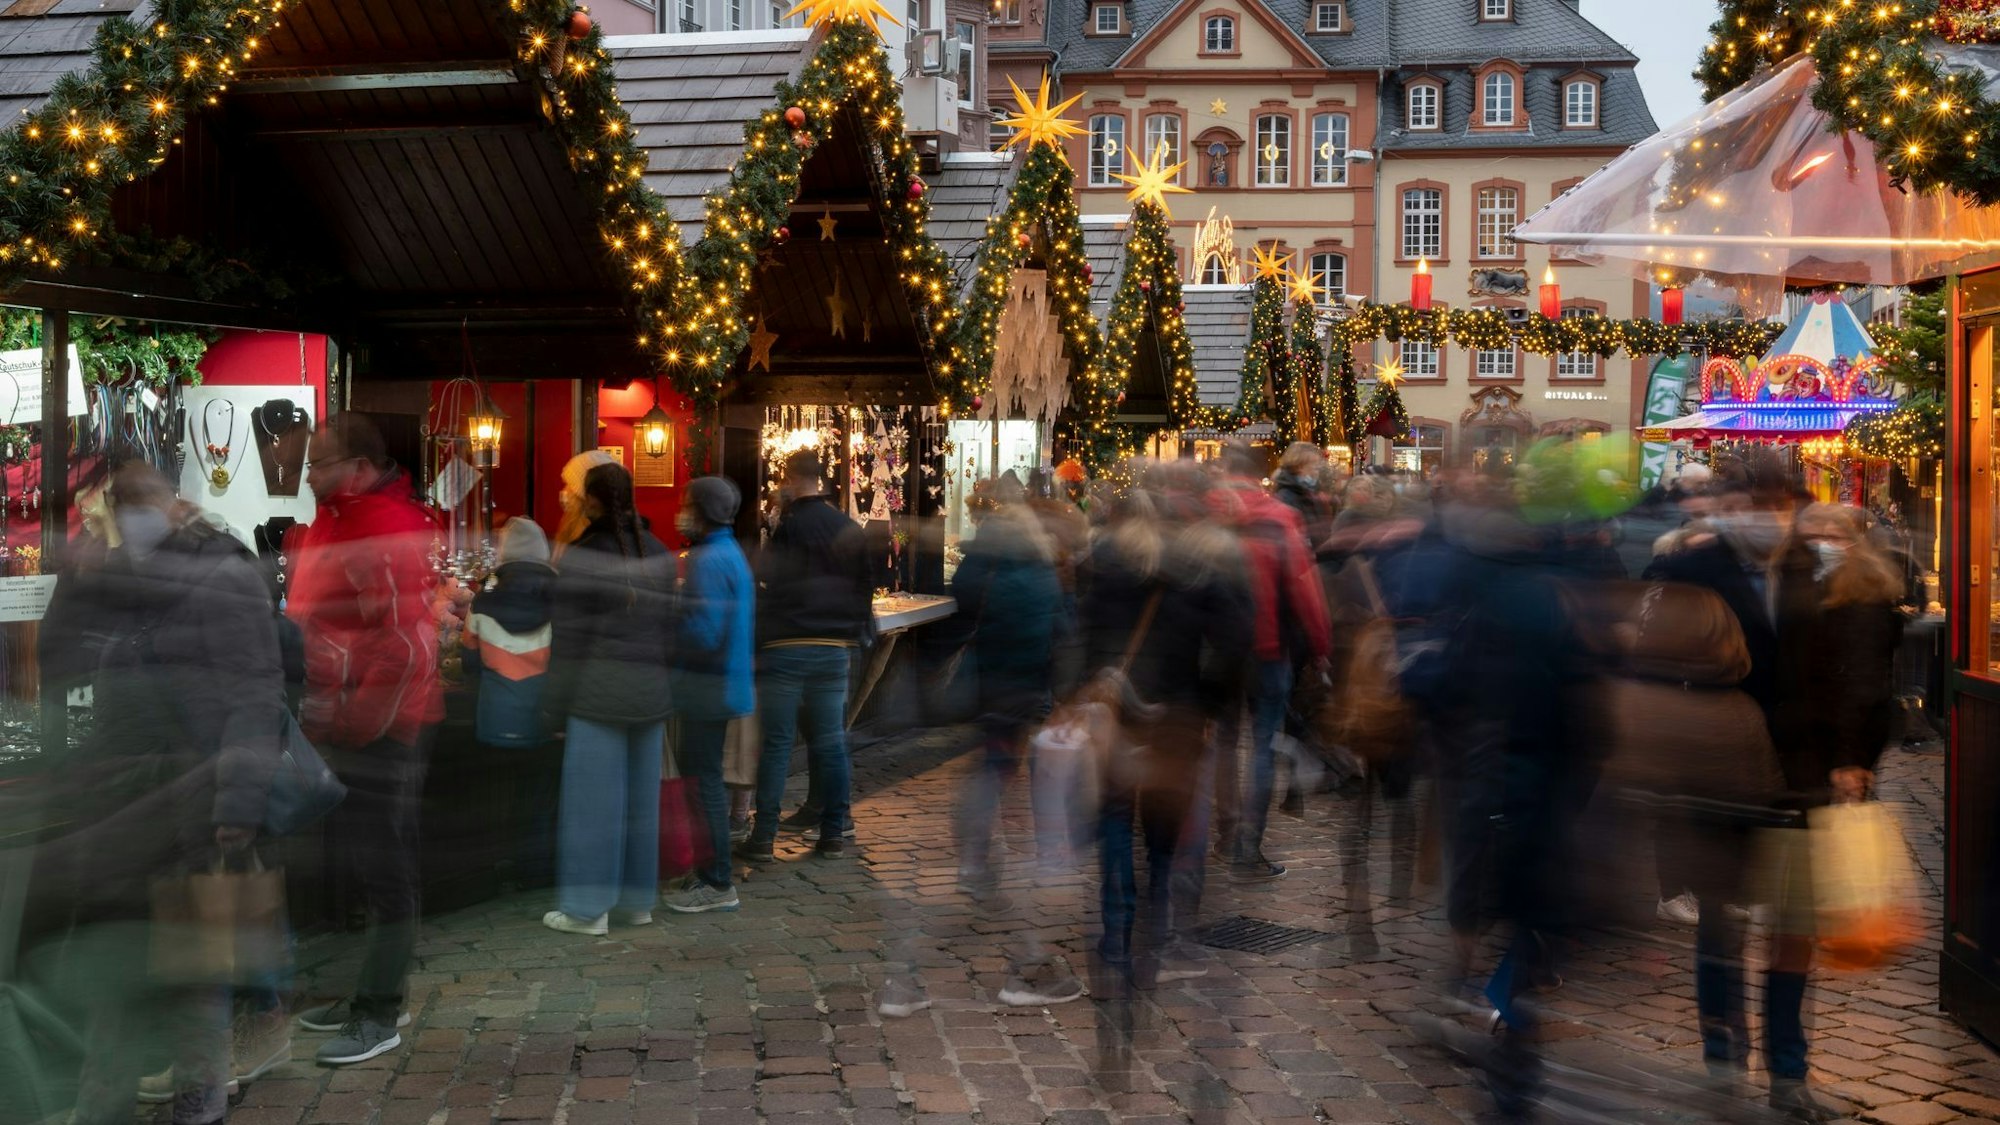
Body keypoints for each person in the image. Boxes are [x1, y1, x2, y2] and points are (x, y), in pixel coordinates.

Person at [36, 458, 288, 1124]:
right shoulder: (117, 578)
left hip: (192, 806)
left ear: (172, 503)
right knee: (118, 980)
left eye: (138, 500)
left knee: (195, 977)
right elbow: (65, 661)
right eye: (119, 503)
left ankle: (196, 1106)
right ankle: (105, 1104)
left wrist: (236, 805)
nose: (128, 515)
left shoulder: (221, 573)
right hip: (121, 810)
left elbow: (254, 695)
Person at [1644, 458, 1844, 1122]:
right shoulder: (1692, 568)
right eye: (1753, 498)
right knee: (1720, 923)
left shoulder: (1811, 571)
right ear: (1729, 502)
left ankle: (1789, 1072)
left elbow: (1831, 673)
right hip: (1716, 766)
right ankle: (1720, 1069)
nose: (1767, 513)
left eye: (1779, 501)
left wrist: (1845, 760)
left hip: (1797, 774)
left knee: (1793, 926)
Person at [287, 414, 441, 1067]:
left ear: (355, 465)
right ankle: (373, 997)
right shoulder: (344, 516)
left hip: (382, 726)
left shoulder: (380, 526)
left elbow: (406, 646)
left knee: (385, 867)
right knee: (367, 862)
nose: (308, 476)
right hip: (352, 720)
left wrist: (348, 722)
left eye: (318, 465)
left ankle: (380, 1009)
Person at [1081, 464, 1252, 985]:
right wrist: (1210, 706)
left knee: (1113, 819)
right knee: (1161, 832)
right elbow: (1234, 645)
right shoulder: (1195, 572)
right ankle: (1157, 930)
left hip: (1114, 713)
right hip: (1175, 718)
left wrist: (1076, 694)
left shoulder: (1098, 566)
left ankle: (1115, 933)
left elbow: (1074, 636)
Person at [949, 476, 1077, 1005]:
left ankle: (974, 852)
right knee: (1001, 763)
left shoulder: (982, 564)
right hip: (1024, 687)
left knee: (991, 763)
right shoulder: (1044, 573)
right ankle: (992, 852)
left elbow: (958, 603)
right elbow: (1061, 634)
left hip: (985, 681)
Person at [541, 460, 677, 934]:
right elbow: (670, 631)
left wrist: (553, 706)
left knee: (591, 806)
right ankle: (637, 902)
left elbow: (568, 642)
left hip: (597, 695)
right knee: (642, 804)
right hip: (650, 692)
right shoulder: (658, 551)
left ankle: (587, 909)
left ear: (590, 501)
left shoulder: (583, 556)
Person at [738, 449, 874, 862]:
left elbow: (768, 580)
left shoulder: (789, 528)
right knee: (831, 741)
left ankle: (762, 837)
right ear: (823, 479)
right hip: (834, 648)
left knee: (778, 743)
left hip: (786, 644)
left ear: (790, 478)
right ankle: (833, 832)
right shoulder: (847, 526)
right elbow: (865, 587)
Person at [1208, 440, 1330, 881]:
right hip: (1268, 645)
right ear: (1260, 474)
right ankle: (1247, 846)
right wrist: (1319, 646)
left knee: (1222, 742)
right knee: (1261, 745)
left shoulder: (1206, 512)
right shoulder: (1279, 517)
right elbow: (1304, 587)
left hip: (1216, 648)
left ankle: (1223, 834)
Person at [667, 476, 755, 914]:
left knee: (703, 785)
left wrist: (669, 623)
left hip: (707, 686)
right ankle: (709, 872)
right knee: (707, 782)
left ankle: (716, 879)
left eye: (687, 503)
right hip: (724, 684)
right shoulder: (729, 551)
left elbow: (702, 633)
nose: (681, 510)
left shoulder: (706, 558)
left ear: (701, 510)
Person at [461, 517, 558, 887]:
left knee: (497, 792)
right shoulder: (559, 598)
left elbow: (468, 657)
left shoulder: (484, 599)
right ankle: (534, 870)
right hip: (543, 717)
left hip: (495, 718)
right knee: (539, 792)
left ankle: (497, 864)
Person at [1271, 441, 1332, 548]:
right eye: (1314, 467)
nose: (1316, 472)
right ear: (1299, 466)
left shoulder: (1310, 494)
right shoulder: (1286, 498)